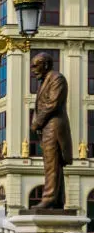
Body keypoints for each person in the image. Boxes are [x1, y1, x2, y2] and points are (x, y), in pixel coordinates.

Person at [30, 52, 73, 209]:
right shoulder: (46, 80)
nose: (33, 69)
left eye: (36, 65)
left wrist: (37, 123)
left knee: (52, 163)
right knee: (53, 163)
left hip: (53, 126)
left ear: (46, 64)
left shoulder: (57, 79)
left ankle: (49, 198)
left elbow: (52, 104)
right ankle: (57, 200)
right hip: (48, 126)